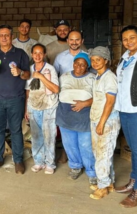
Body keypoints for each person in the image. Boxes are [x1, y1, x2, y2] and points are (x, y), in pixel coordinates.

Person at [0, 24, 30, 174]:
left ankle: (18, 160)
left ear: (11, 37)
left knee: (16, 130)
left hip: (16, 98)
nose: (4, 38)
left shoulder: (20, 53)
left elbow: (28, 74)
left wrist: (20, 72)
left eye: (7, 35)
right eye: (1, 35)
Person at [114, 25, 137, 208]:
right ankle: (133, 182)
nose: (128, 42)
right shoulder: (126, 57)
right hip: (125, 109)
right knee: (135, 150)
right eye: (125, 39)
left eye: (132, 38)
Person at [55, 53, 96, 185]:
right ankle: (75, 167)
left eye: (83, 64)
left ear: (87, 66)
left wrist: (84, 103)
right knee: (69, 144)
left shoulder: (92, 78)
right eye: (77, 63)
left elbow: (100, 97)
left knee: (86, 145)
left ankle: (91, 171)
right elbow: (56, 91)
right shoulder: (64, 77)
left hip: (84, 116)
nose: (79, 66)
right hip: (65, 116)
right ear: (73, 64)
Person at [88, 46, 120, 200]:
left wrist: (101, 123)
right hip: (96, 119)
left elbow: (110, 102)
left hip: (107, 121)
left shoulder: (109, 77)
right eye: (93, 60)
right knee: (101, 153)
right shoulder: (98, 76)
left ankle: (103, 187)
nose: (95, 62)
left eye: (98, 59)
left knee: (102, 154)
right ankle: (109, 182)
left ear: (106, 60)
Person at [25, 44, 59, 175]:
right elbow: (28, 92)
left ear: (44, 54)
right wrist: (26, 109)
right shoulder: (30, 69)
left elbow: (56, 89)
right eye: (35, 53)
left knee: (49, 135)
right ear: (32, 54)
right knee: (36, 135)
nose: (37, 56)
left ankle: (50, 163)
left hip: (49, 107)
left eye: (40, 53)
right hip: (33, 106)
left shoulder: (50, 69)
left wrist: (41, 77)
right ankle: (39, 161)